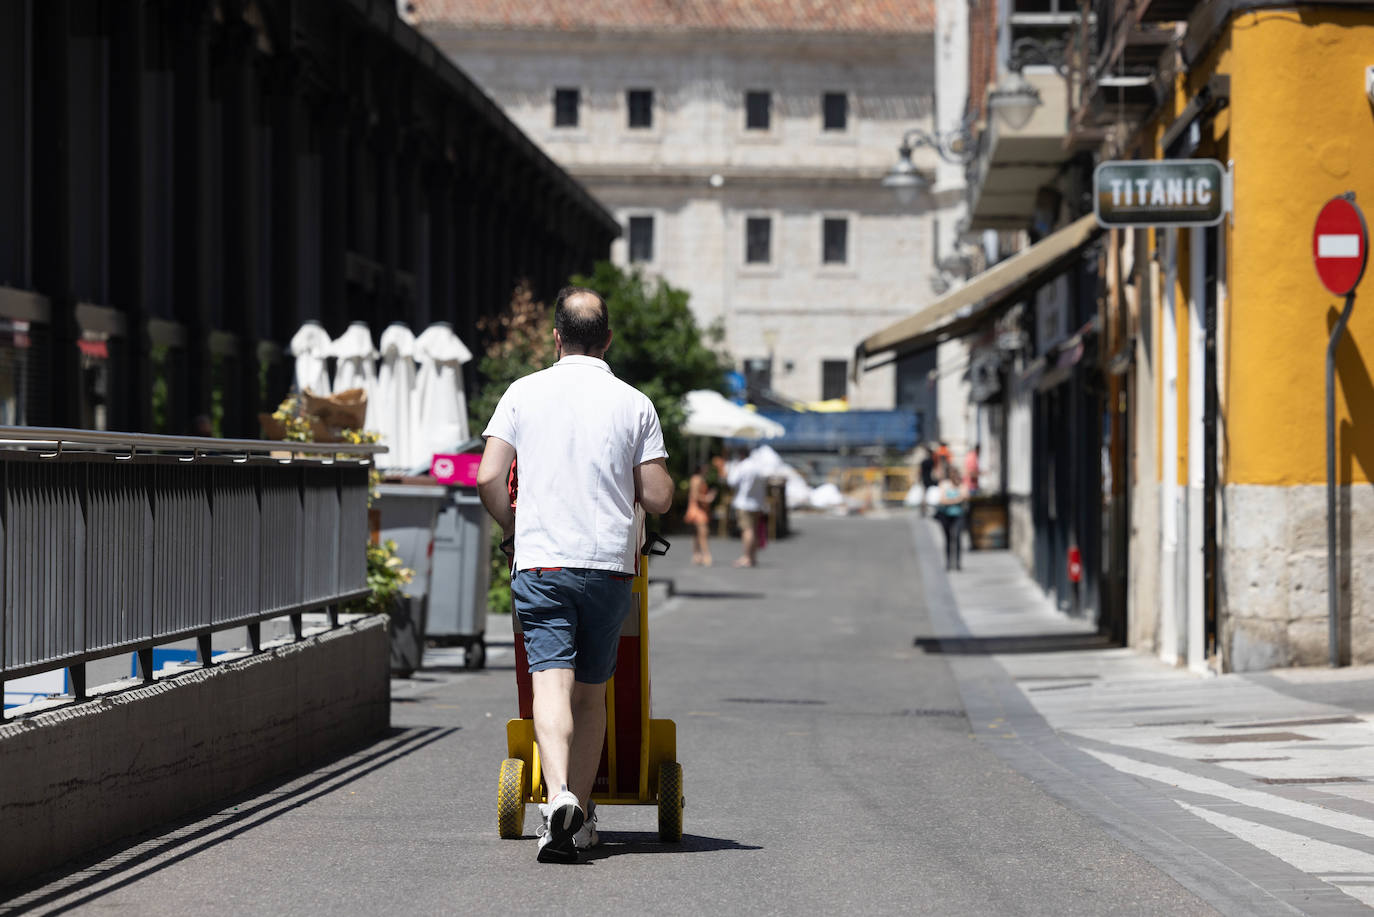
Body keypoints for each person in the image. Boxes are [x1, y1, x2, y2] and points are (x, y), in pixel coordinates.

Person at [475, 286, 673, 864]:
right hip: (609, 565)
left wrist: (512, 529)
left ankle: (556, 796)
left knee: (550, 683)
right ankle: (579, 816)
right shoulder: (633, 402)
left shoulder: (522, 392)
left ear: (555, 337)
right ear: (607, 339)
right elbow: (658, 497)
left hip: (542, 560)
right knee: (592, 695)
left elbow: (489, 477)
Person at [726, 447, 766, 568]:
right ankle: (753, 557)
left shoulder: (742, 466)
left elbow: (731, 481)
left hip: (744, 502)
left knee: (747, 530)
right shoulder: (757, 466)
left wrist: (734, 467)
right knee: (753, 530)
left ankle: (746, 557)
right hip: (757, 503)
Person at [684, 462, 718, 566]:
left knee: (696, 533)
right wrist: (708, 498)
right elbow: (695, 496)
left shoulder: (699, 479)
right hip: (697, 509)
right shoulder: (697, 479)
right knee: (703, 532)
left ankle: (696, 555)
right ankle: (706, 555)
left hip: (699, 509)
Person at [935, 466, 968, 571]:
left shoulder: (961, 485)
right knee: (948, 539)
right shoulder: (944, 485)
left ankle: (958, 563)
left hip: (958, 515)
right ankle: (948, 563)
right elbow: (942, 500)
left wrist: (951, 500)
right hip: (946, 515)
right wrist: (956, 499)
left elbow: (965, 497)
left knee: (957, 537)